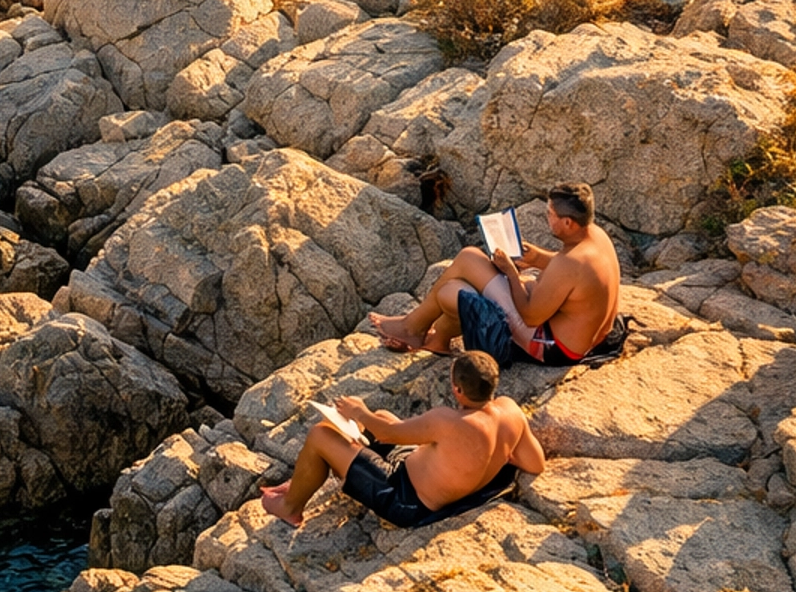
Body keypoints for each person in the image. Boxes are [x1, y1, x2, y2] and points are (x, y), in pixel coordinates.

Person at [259, 349, 545, 531]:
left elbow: (386, 434)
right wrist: (491, 454)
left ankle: (290, 508)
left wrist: (360, 411)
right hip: (418, 475)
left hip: (404, 499)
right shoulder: (510, 412)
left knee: (321, 435)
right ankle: (302, 481)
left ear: (458, 390)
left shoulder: (447, 421)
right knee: (384, 415)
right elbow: (536, 463)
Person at [369, 182, 622, 368]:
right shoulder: (595, 238)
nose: (547, 218)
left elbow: (530, 315)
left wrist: (511, 273)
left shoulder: (571, 262)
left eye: (550, 215)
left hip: (552, 346)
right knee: (456, 288)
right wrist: (538, 258)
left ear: (568, 223)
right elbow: (575, 276)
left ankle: (412, 329)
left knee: (465, 265)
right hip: (582, 336)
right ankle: (437, 338)